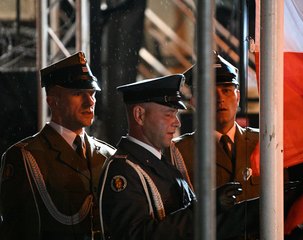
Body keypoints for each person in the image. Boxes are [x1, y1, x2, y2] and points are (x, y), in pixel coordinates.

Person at [98, 74, 260, 240]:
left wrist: (259, 209)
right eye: (169, 114)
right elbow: (137, 235)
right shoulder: (124, 170)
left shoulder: (160, 163)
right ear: (139, 115)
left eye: (175, 113)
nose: (177, 122)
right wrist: (204, 209)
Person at [0, 52, 116, 240]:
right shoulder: (26, 157)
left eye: (92, 93)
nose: (90, 102)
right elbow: (17, 231)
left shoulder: (108, 155)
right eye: (78, 94)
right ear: (53, 101)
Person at [171, 52, 260, 202]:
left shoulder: (263, 144)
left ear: (237, 97)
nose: (220, 99)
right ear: (194, 102)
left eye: (226, 91)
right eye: (211, 93)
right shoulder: (178, 153)